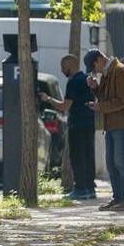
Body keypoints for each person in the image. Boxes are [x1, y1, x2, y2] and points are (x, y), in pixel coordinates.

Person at [85, 49, 124, 212]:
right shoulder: (109, 73)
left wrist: (101, 107)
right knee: (111, 164)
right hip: (112, 124)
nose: (95, 71)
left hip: (121, 124)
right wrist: (95, 88)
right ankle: (118, 198)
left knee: (121, 162)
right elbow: (106, 96)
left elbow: (123, 99)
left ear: (100, 59)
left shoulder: (119, 71)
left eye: (94, 67)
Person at [39, 54, 96, 200]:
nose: (62, 69)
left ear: (70, 66)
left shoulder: (73, 82)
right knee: (88, 156)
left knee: (77, 156)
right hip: (89, 123)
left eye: (63, 67)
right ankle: (89, 188)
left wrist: (48, 99)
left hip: (77, 124)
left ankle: (80, 189)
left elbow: (65, 106)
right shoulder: (86, 80)